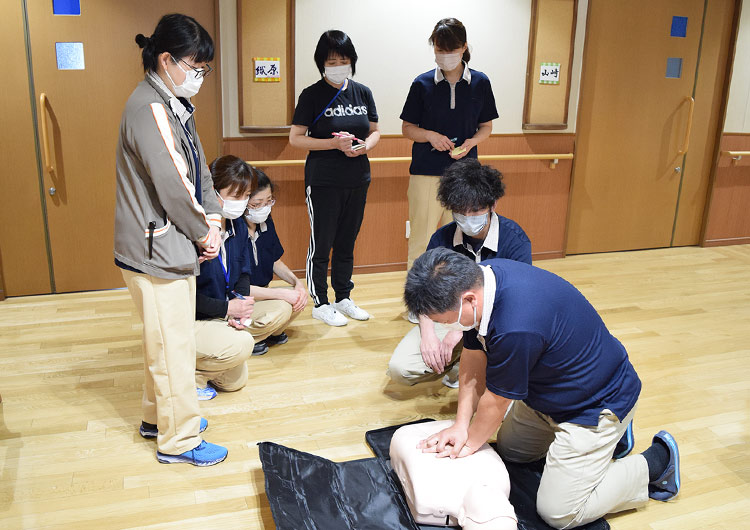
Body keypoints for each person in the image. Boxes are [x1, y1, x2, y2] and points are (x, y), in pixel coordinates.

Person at [404, 248, 680, 529]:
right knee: (511, 453)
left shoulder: (516, 326)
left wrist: (469, 444)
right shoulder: (481, 282)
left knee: (559, 513)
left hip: (594, 405)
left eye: (443, 320)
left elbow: (496, 401)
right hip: (545, 394)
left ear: (468, 300)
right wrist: (461, 424)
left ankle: (655, 462)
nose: (444, 326)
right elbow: (474, 357)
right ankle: (609, 443)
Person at [114, 14, 227, 466]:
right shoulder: (150, 108)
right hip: (154, 249)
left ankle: (154, 417)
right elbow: (175, 187)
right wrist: (206, 232)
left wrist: (214, 219)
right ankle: (178, 440)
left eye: (204, 69)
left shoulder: (172, 100)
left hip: (167, 244)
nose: (199, 76)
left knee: (161, 342)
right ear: (167, 60)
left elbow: (198, 171)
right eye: (194, 67)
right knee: (173, 350)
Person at [387, 159, 530, 388]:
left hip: (496, 322)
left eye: (475, 211)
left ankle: (470, 363)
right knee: (401, 369)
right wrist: (429, 336)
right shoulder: (442, 238)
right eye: (460, 212)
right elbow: (423, 295)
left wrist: (463, 333)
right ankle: (457, 362)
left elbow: (519, 300)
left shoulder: (514, 240)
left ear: (492, 205)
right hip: (449, 319)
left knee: (507, 371)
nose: (467, 218)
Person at [289, 30, 380, 327]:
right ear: (321, 63)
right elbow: (296, 139)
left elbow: (375, 130)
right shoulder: (311, 95)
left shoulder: (363, 92)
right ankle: (320, 301)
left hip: (358, 177)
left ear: (352, 61)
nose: (339, 65)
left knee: (346, 241)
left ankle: (343, 296)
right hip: (324, 180)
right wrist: (332, 144)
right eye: (332, 60)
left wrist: (366, 145)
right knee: (322, 242)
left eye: (344, 59)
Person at [401, 18, 499, 268]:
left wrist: (471, 142)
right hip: (425, 172)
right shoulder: (421, 83)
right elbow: (408, 128)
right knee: (422, 240)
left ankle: (455, 300)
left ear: (464, 47)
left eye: (450, 50)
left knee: (461, 239)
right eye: (439, 50)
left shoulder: (480, 82)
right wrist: (430, 135)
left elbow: (486, 126)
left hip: (465, 175)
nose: (445, 56)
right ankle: (419, 302)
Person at [193, 155, 257, 399]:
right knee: (243, 345)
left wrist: (240, 306)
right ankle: (185, 377)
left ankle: (198, 373)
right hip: (191, 319)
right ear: (213, 192)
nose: (241, 203)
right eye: (234, 196)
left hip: (220, 317)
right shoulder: (196, 229)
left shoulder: (238, 225)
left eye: (245, 196)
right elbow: (185, 296)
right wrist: (227, 308)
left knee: (235, 382)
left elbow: (243, 272)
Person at [390, 420, 517, 530]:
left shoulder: (429, 496)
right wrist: (462, 428)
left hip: (410, 436)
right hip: (415, 436)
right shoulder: (501, 481)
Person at [242, 166, 307, 351]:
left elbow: (274, 261)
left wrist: (296, 282)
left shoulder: (265, 222)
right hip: (241, 299)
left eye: (269, 201)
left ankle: (269, 332)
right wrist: (280, 294)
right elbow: (237, 288)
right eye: (256, 204)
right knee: (283, 307)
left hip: (261, 294)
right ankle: (251, 338)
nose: (264, 208)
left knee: (300, 295)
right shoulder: (234, 231)